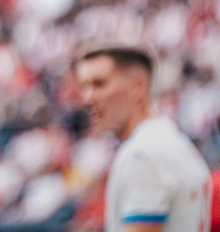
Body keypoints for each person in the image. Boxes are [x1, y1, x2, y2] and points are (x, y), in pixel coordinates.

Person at [75, 44, 212, 232]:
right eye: (84, 86)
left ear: (138, 85)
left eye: (99, 83)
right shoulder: (174, 141)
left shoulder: (141, 155)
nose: (87, 98)